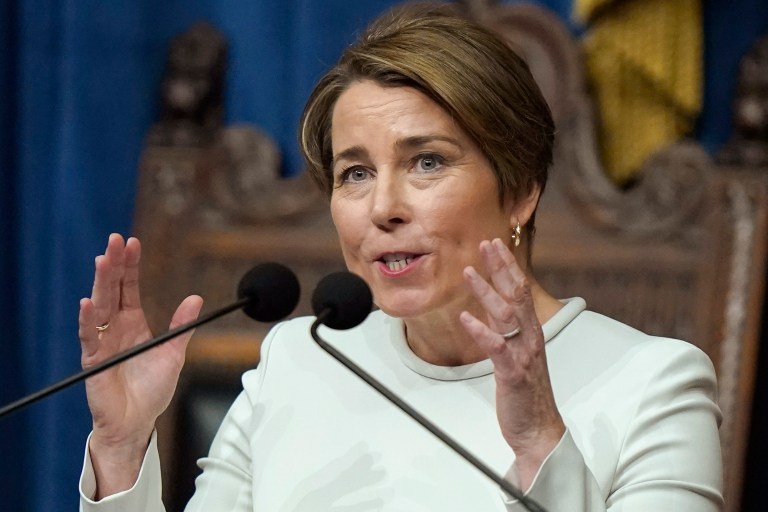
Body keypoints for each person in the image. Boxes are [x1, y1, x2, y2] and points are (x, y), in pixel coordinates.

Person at [78, 3, 723, 511]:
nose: (382, 207)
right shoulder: (299, 359)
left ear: (522, 189)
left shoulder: (654, 388)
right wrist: (122, 447)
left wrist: (538, 441)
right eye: (354, 173)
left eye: (427, 162)